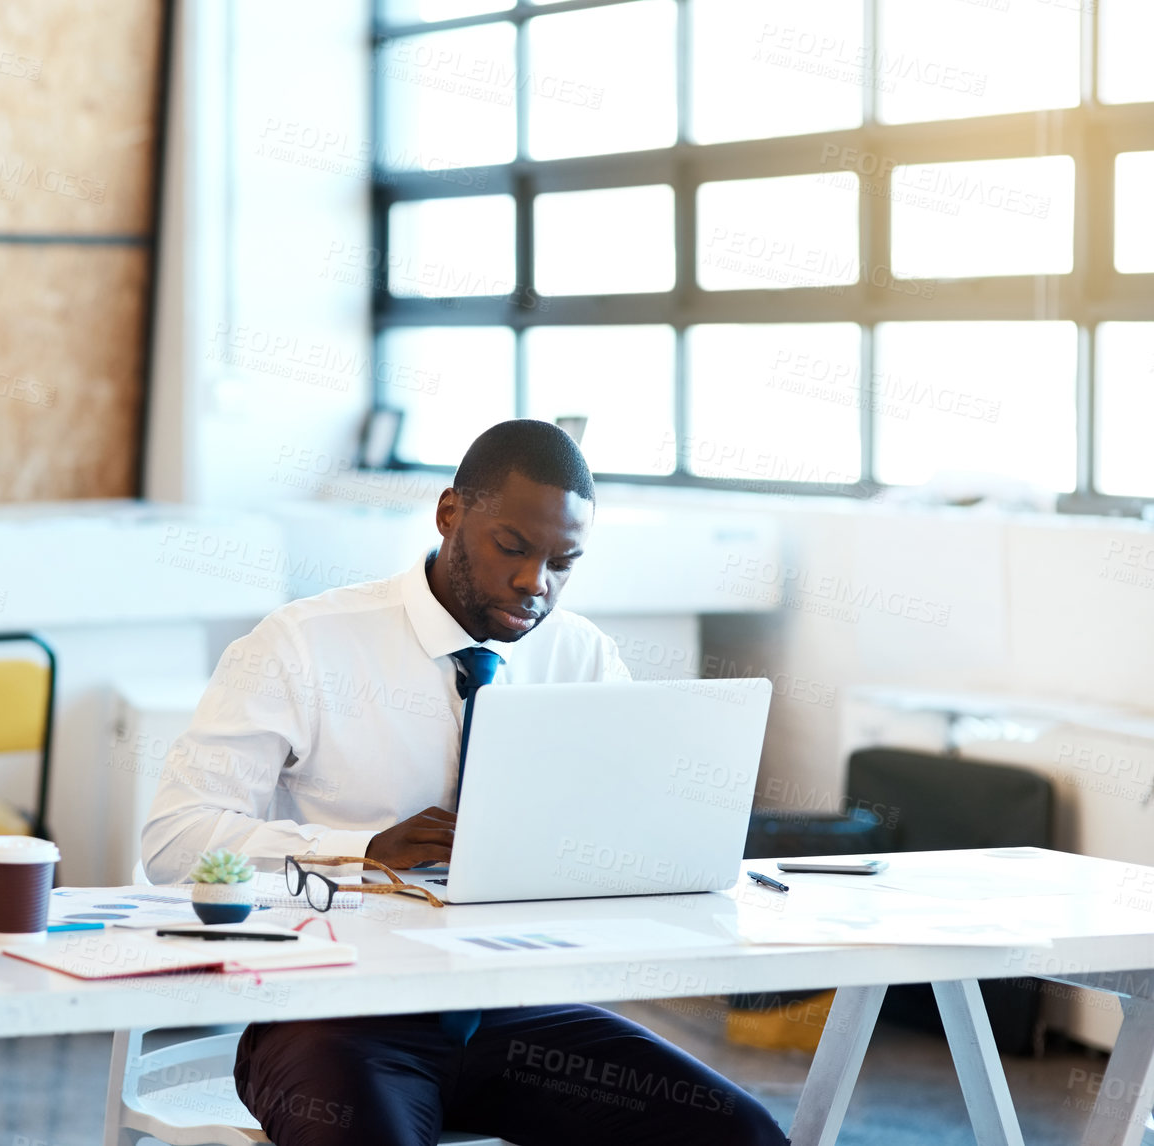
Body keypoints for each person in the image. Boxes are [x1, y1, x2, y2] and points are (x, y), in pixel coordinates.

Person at [142, 419, 788, 1146]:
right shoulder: (301, 644)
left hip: (514, 1018)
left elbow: (616, 841)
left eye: (562, 562)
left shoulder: (580, 658)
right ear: (450, 513)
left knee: (741, 1135)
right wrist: (360, 852)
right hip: (334, 1014)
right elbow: (174, 843)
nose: (533, 584)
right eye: (512, 547)